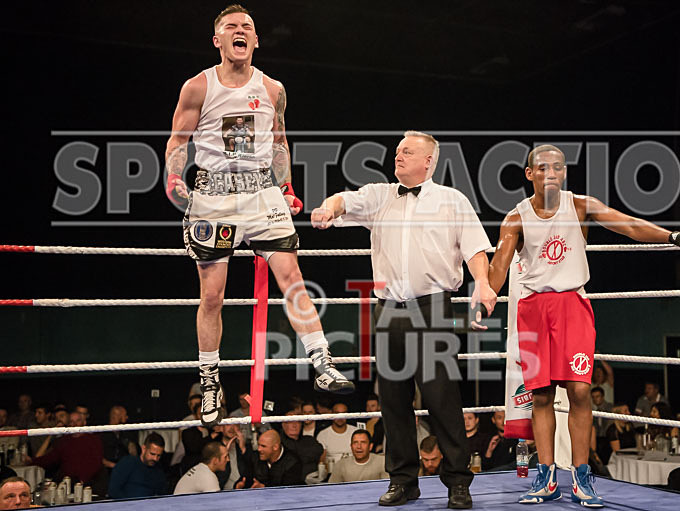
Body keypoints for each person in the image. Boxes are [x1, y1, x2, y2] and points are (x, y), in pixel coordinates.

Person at [164, 3, 353, 428]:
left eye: (247, 27)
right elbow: (178, 140)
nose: (239, 30)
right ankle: (210, 379)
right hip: (214, 195)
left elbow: (280, 141)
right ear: (217, 40)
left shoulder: (273, 89)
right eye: (231, 26)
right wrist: (174, 179)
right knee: (212, 295)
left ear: (255, 40)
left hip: (262, 193)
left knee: (293, 278)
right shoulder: (198, 86)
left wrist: (286, 186)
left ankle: (322, 362)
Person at [486, 144, 680, 507]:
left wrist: (673, 237)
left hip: (573, 305)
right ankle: (545, 476)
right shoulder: (516, 218)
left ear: (564, 172)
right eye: (542, 167)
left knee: (581, 391)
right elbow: (496, 273)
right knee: (540, 395)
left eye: (557, 166)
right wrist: (477, 285)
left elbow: (629, 224)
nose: (551, 172)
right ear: (530, 174)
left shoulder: (580, 205)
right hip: (533, 309)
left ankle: (582, 477)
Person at [312, 130, 496, 509]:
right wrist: (328, 209)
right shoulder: (381, 196)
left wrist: (483, 284)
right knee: (392, 400)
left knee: (441, 397)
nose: (398, 156)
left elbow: (476, 247)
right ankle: (403, 481)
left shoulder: (451, 200)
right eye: (397, 151)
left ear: (429, 160)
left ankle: (458, 483)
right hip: (388, 309)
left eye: (407, 152)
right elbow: (344, 199)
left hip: (432, 307)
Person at [26, 411, 104, 489]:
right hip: (66, 484)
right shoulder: (64, 441)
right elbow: (50, 459)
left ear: (84, 422)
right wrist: (32, 461)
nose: (75, 424)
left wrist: (82, 480)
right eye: (71, 421)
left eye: (78, 421)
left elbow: (96, 463)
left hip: (88, 485)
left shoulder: (94, 440)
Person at [108, 433, 167, 499]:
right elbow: (113, 490)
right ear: (143, 449)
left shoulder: (158, 470)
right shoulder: (127, 463)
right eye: (152, 454)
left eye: (159, 455)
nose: (155, 459)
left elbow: (161, 494)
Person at [280, 409, 324, 479]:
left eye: (297, 422)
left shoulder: (309, 439)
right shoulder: (279, 442)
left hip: (313, 481)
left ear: (301, 425)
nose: (294, 425)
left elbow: (320, 451)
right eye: (290, 422)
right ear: (283, 425)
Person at [219, 422, 254, 489]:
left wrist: (243, 448)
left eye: (235, 425)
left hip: (243, 488)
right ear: (221, 428)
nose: (232, 428)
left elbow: (251, 471)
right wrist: (225, 451)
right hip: (222, 490)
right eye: (228, 424)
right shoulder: (215, 447)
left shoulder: (244, 448)